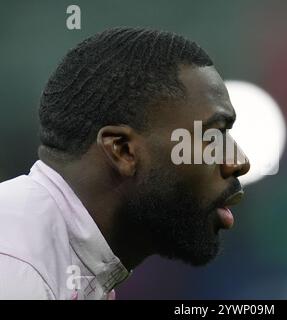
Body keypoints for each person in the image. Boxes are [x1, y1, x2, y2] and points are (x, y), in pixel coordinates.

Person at [0, 27, 250, 299]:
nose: (239, 162)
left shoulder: (71, 267)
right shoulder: (17, 269)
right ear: (122, 150)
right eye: (213, 135)